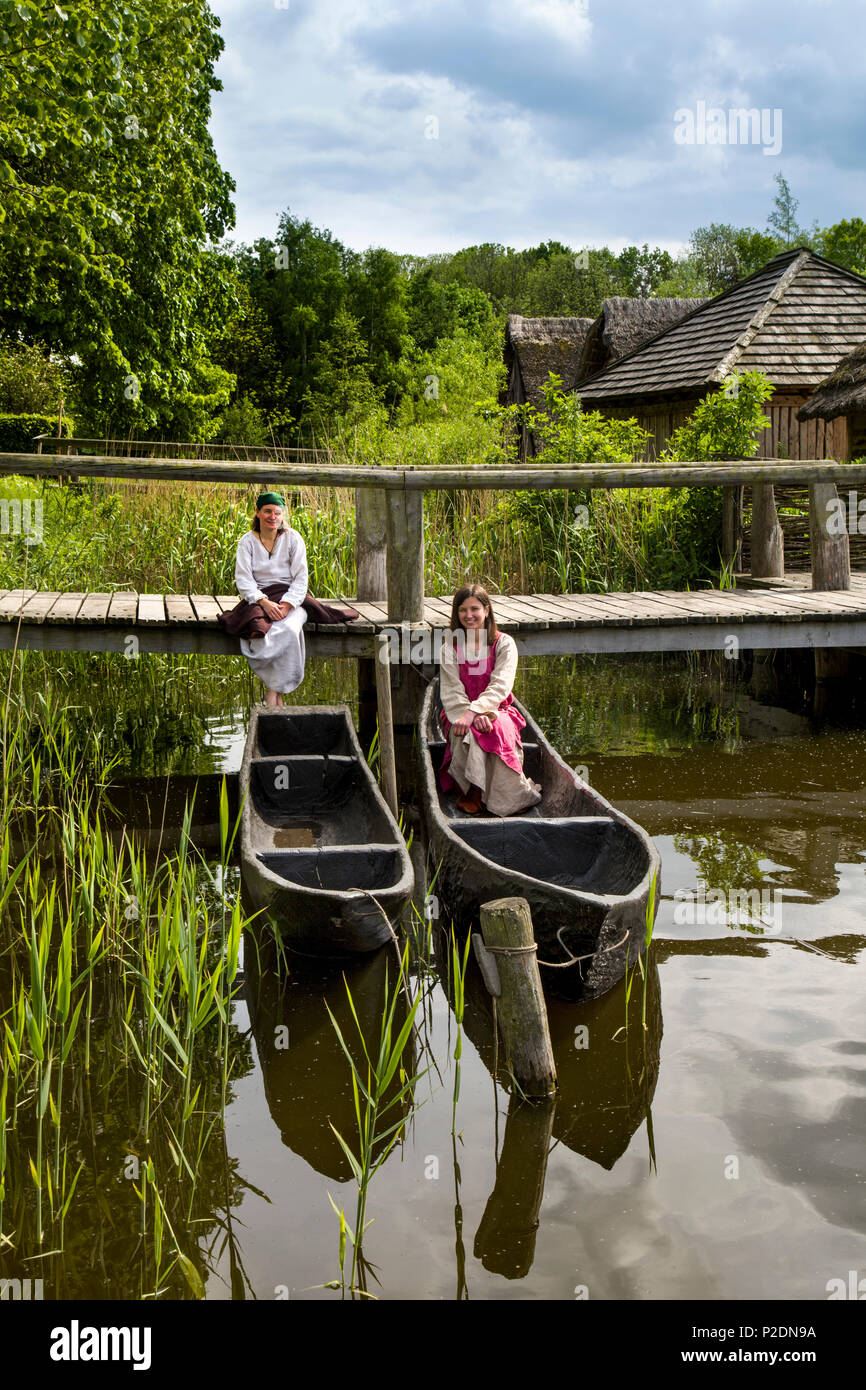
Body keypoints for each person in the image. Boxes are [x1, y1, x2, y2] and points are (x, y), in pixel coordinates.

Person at [438, 583, 542, 816]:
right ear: (456, 614)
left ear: (486, 610)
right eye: (462, 610)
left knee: (495, 728)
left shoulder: (504, 644)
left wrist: (477, 712)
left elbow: (501, 686)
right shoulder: (450, 647)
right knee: (466, 731)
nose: (469, 615)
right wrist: (469, 715)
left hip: (497, 709)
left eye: (474, 609)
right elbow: (451, 691)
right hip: (459, 711)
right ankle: (474, 793)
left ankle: (500, 797)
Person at [223, 491, 309, 706]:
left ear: (282, 515)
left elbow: (301, 576)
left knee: (289, 630)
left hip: (290, 598)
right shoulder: (247, 542)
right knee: (260, 631)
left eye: (277, 512)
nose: (272, 516)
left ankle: (272, 692)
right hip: (259, 599)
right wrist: (264, 602)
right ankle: (277, 695)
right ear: (258, 513)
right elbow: (243, 579)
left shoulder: (293, 538)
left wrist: (287, 604)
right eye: (267, 511)